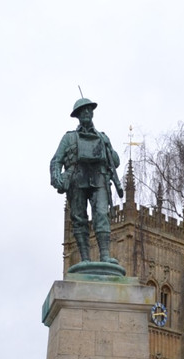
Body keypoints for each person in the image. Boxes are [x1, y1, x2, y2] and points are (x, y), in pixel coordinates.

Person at [50, 97, 123, 264]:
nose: (87, 113)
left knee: (102, 214)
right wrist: (57, 179)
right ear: (77, 115)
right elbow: (56, 161)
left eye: (89, 110)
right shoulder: (69, 138)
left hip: (99, 178)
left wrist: (108, 148)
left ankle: (104, 255)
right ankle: (85, 259)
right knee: (79, 218)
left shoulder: (102, 137)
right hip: (77, 179)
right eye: (83, 111)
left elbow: (116, 161)